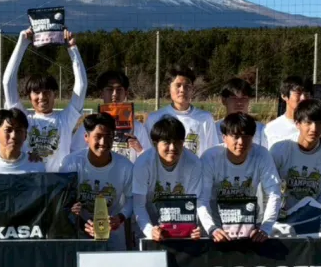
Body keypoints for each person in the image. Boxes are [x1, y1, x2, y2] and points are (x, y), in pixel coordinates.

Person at [3, 28, 87, 171]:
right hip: (29, 181)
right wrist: (22, 43)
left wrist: (72, 48)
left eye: (47, 92)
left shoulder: (65, 119)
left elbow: (82, 85)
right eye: (36, 92)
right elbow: (7, 83)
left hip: (58, 182)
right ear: (29, 96)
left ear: (55, 94)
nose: (42, 97)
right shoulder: (23, 119)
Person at [269, 99, 321, 236]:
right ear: (297, 123)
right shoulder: (279, 150)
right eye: (308, 122)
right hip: (278, 217)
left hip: (310, 219)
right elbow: (269, 190)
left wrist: (307, 218)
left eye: (319, 123)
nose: (314, 129)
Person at [202, 112, 281, 242]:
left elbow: (273, 194)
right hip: (217, 227)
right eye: (235, 136)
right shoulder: (210, 157)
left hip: (250, 227)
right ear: (224, 137)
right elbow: (202, 198)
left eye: (246, 137)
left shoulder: (262, 155)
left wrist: (265, 227)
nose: (241, 142)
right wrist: (212, 228)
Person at [132, 116, 214, 241]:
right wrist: (150, 231)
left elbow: (194, 203)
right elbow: (139, 206)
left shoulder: (194, 163)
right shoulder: (143, 163)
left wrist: (193, 228)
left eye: (177, 142)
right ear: (155, 143)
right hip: (151, 228)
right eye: (166, 142)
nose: (172, 148)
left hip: (181, 231)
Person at [61, 113, 135, 249]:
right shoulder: (71, 163)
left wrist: (120, 217)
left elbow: (132, 198)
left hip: (112, 236)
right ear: (86, 137)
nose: (103, 142)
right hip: (78, 234)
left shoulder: (125, 166)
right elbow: (62, 200)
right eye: (98, 136)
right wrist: (80, 220)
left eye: (108, 136)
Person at [70, 69, 151, 162]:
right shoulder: (89, 126)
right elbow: (74, 153)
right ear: (101, 93)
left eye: (119, 90)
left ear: (126, 93)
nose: (114, 94)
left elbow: (149, 158)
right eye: (109, 89)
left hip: (127, 170)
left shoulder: (137, 127)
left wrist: (140, 150)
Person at [146, 67, 219, 156]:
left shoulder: (205, 118)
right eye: (178, 85)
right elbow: (149, 152)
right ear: (169, 88)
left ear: (192, 89)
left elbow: (213, 152)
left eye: (187, 86)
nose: (182, 90)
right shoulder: (155, 118)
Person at [218, 78, 267, 149]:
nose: (239, 103)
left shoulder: (261, 129)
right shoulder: (214, 128)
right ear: (224, 100)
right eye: (234, 98)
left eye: (244, 98)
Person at [263, 76, 311, 147]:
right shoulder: (270, 129)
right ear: (284, 96)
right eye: (298, 93)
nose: (303, 98)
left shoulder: (318, 127)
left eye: (306, 94)